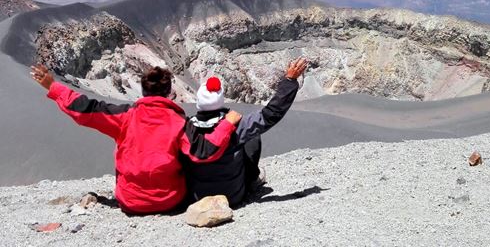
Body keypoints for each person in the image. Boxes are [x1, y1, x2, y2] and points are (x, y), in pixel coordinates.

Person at [30, 64, 242, 215]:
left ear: (143, 91)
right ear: (169, 93)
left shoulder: (124, 116)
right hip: (170, 200)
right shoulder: (178, 122)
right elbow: (204, 151)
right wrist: (228, 123)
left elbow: (85, 109)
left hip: (130, 201)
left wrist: (54, 87)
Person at [181, 57, 309, 206]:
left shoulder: (186, 128)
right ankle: (253, 180)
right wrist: (289, 81)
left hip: (196, 197)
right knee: (252, 137)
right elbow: (270, 114)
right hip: (232, 196)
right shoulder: (236, 126)